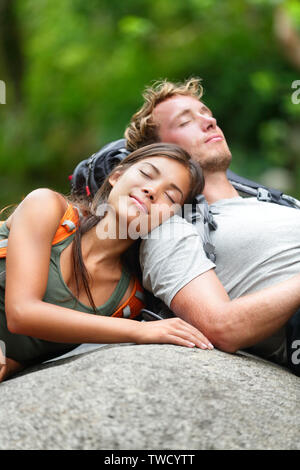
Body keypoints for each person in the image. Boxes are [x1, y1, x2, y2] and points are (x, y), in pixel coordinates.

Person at [124, 78, 300, 372]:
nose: (210, 121)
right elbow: (222, 326)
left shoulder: (278, 202)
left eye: (206, 113)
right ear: (161, 151)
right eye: (186, 121)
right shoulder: (170, 230)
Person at [0, 143, 212, 382]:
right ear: (116, 175)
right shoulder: (48, 209)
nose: (152, 190)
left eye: (170, 196)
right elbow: (21, 313)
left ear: (173, 218)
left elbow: (31, 352)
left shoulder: (127, 301)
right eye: (146, 174)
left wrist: (9, 365)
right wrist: (141, 331)